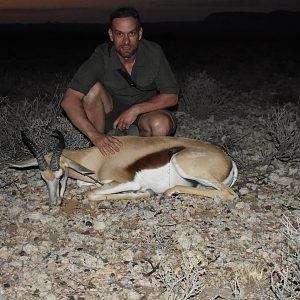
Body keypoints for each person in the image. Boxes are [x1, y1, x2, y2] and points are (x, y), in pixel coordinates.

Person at [61, 6, 179, 156]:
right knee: (91, 90)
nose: (126, 41)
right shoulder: (101, 56)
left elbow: (172, 96)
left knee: (160, 125)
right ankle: (97, 149)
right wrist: (94, 135)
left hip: (145, 113)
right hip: (111, 116)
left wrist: (135, 109)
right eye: (119, 34)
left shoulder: (153, 52)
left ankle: (143, 159)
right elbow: (69, 100)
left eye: (131, 33)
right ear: (111, 35)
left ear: (140, 33)